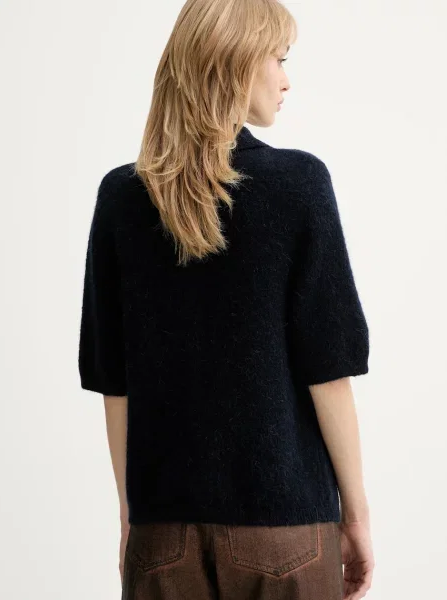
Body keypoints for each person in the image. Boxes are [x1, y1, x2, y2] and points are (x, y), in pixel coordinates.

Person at [78, 0, 375, 598]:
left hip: (161, 535)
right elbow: (328, 370)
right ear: (236, 63)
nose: (286, 80)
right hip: (286, 530)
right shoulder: (299, 184)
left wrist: (131, 518)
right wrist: (358, 516)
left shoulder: (121, 196)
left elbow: (114, 382)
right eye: (279, 59)